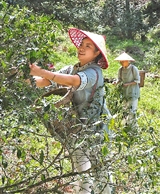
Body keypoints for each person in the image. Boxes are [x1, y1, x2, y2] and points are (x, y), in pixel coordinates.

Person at [28, 28, 112, 194]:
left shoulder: (95, 72)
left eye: (88, 46)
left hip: (97, 127)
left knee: (100, 170)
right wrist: (25, 76)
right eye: (81, 44)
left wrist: (42, 71)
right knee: (82, 168)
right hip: (76, 126)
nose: (81, 48)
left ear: (96, 54)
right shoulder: (71, 68)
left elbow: (74, 81)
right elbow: (45, 81)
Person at [114, 52, 140, 126]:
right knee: (124, 109)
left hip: (133, 92)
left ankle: (133, 127)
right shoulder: (121, 69)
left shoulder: (133, 69)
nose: (121, 63)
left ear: (128, 61)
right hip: (124, 93)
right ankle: (125, 125)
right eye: (120, 61)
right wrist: (116, 82)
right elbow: (119, 79)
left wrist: (127, 84)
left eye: (123, 61)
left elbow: (137, 80)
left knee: (132, 110)